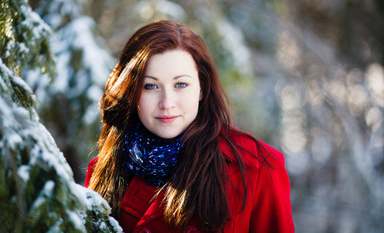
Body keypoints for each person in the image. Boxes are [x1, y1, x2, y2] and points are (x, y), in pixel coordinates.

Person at [85, 20, 294, 233]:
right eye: (150, 86)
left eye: (181, 84)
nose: (167, 103)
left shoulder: (257, 169)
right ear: (131, 91)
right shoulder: (105, 167)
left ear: (202, 88)